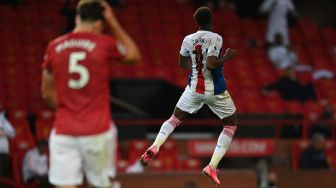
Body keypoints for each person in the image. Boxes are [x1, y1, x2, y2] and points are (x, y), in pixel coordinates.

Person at [41, 0, 141, 187]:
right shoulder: (104, 43)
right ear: (98, 23)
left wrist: (69, 109)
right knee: (102, 184)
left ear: (77, 18)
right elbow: (133, 55)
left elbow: (46, 93)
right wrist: (113, 23)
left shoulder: (53, 46)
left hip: (64, 131)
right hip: (97, 131)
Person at [140, 7, 237, 186]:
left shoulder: (188, 39)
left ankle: (155, 145)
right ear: (211, 20)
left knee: (174, 119)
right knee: (230, 125)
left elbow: (182, 62)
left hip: (194, 89)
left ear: (196, 21)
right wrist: (227, 57)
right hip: (216, 90)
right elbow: (211, 64)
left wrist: (195, 67)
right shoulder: (216, 38)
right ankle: (212, 166)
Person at [0, 102, 16, 179]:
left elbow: (13, 133)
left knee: (3, 177)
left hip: (3, 152)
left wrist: (3, 132)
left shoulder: (2, 119)